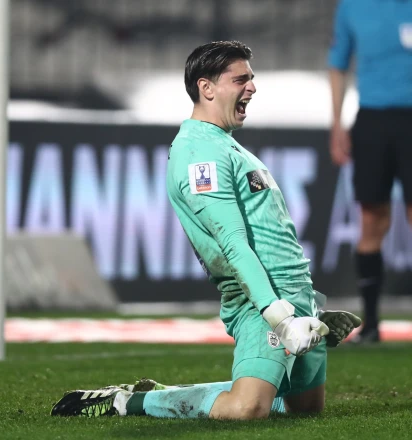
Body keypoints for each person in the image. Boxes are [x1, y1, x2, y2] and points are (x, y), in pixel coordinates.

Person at [51, 41, 361, 420]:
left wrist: (306, 307)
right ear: (207, 88)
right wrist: (280, 319)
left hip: (297, 297)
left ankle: (179, 394)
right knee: (248, 408)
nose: (252, 87)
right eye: (241, 80)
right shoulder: (200, 154)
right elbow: (232, 242)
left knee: (305, 409)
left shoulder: (226, 147)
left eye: (251, 78)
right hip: (263, 300)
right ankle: (127, 402)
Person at [328, 0, 412, 343]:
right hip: (372, 120)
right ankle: (372, 323)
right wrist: (336, 123)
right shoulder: (353, 6)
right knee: (371, 219)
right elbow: (337, 64)